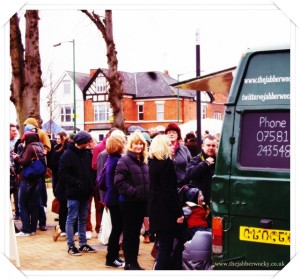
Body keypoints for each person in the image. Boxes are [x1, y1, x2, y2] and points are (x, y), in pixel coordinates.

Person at [148, 134, 185, 270]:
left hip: (156, 208)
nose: (172, 147)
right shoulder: (166, 164)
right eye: (169, 144)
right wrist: (178, 213)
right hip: (166, 211)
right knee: (166, 246)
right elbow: (170, 192)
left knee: (164, 243)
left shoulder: (152, 163)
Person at [114, 131, 150, 270]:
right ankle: (129, 263)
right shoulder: (124, 160)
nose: (139, 146)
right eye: (136, 143)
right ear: (131, 144)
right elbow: (119, 181)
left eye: (141, 143)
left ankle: (134, 262)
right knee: (130, 233)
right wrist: (134, 193)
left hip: (140, 202)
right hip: (129, 203)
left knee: (136, 233)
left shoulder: (143, 160)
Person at [58, 130, 96, 255]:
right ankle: (71, 245)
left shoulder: (87, 154)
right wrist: (78, 182)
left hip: (85, 192)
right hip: (73, 193)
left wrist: (90, 183)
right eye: (88, 141)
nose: (90, 144)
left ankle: (83, 243)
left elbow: (91, 171)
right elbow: (63, 174)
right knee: (71, 219)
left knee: (83, 219)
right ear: (83, 142)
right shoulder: (67, 155)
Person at [13, 132, 46, 236]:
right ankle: (32, 229)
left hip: (27, 178)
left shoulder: (30, 147)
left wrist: (17, 157)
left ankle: (26, 229)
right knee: (33, 204)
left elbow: (24, 161)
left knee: (22, 204)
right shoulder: (39, 146)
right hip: (35, 178)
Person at [23, 117, 52, 231]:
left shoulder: (41, 134)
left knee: (39, 196)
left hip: (37, 169)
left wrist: (40, 155)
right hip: (34, 169)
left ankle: (42, 222)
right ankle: (38, 221)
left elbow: (47, 146)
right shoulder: (29, 136)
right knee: (35, 197)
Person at [104, 130, 127, 268]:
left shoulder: (112, 158)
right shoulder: (117, 160)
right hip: (115, 199)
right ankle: (111, 257)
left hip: (112, 198)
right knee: (117, 229)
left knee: (117, 229)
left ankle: (113, 256)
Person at [184, 134, 218, 207]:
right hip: (201, 199)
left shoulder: (219, 160)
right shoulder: (196, 159)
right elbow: (189, 174)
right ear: (203, 146)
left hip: (215, 199)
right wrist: (205, 164)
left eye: (213, 145)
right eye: (208, 145)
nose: (211, 148)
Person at [165, 122, 192, 187]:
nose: (171, 134)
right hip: (167, 186)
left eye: (174, 132)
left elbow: (191, 165)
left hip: (183, 185)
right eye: (169, 132)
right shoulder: (162, 149)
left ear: (178, 135)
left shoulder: (184, 149)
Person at [10, 124, 20, 221]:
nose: (15, 132)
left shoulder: (16, 142)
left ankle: (18, 212)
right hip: (8, 172)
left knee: (16, 193)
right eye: (13, 130)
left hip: (15, 172)